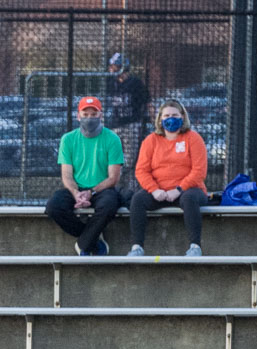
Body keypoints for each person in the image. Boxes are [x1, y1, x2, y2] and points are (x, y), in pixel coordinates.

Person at [127, 99, 208, 258]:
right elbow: (141, 170)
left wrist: (179, 189)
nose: (170, 118)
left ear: (182, 117)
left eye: (175, 115)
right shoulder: (151, 140)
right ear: (160, 119)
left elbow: (199, 171)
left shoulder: (193, 138)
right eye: (167, 115)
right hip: (159, 192)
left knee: (190, 198)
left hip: (188, 191)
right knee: (137, 199)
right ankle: (137, 248)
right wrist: (154, 190)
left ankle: (195, 247)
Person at [44, 96, 123, 256]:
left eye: (93, 114)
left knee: (109, 205)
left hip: (101, 189)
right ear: (78, 116)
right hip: (76, 189)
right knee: (53, 207)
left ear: (100, 115)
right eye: (85, 114)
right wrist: (76, 193)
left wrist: (91, 192)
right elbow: (67, 175)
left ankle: (83, 244)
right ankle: (92, 239)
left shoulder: (112, 139)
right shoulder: (68, 139)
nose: (89, 118)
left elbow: (113, 178)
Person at [106, 53, 149, 190]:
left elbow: (147, 102)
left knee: (130, 158)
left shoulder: (135, 83)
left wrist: (154, 120)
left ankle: (130, 187)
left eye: (113, 66)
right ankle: (117, 184)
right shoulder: (111, 83)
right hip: (115, 125)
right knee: (114, 157)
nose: (110, 69)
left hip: (131, 124)